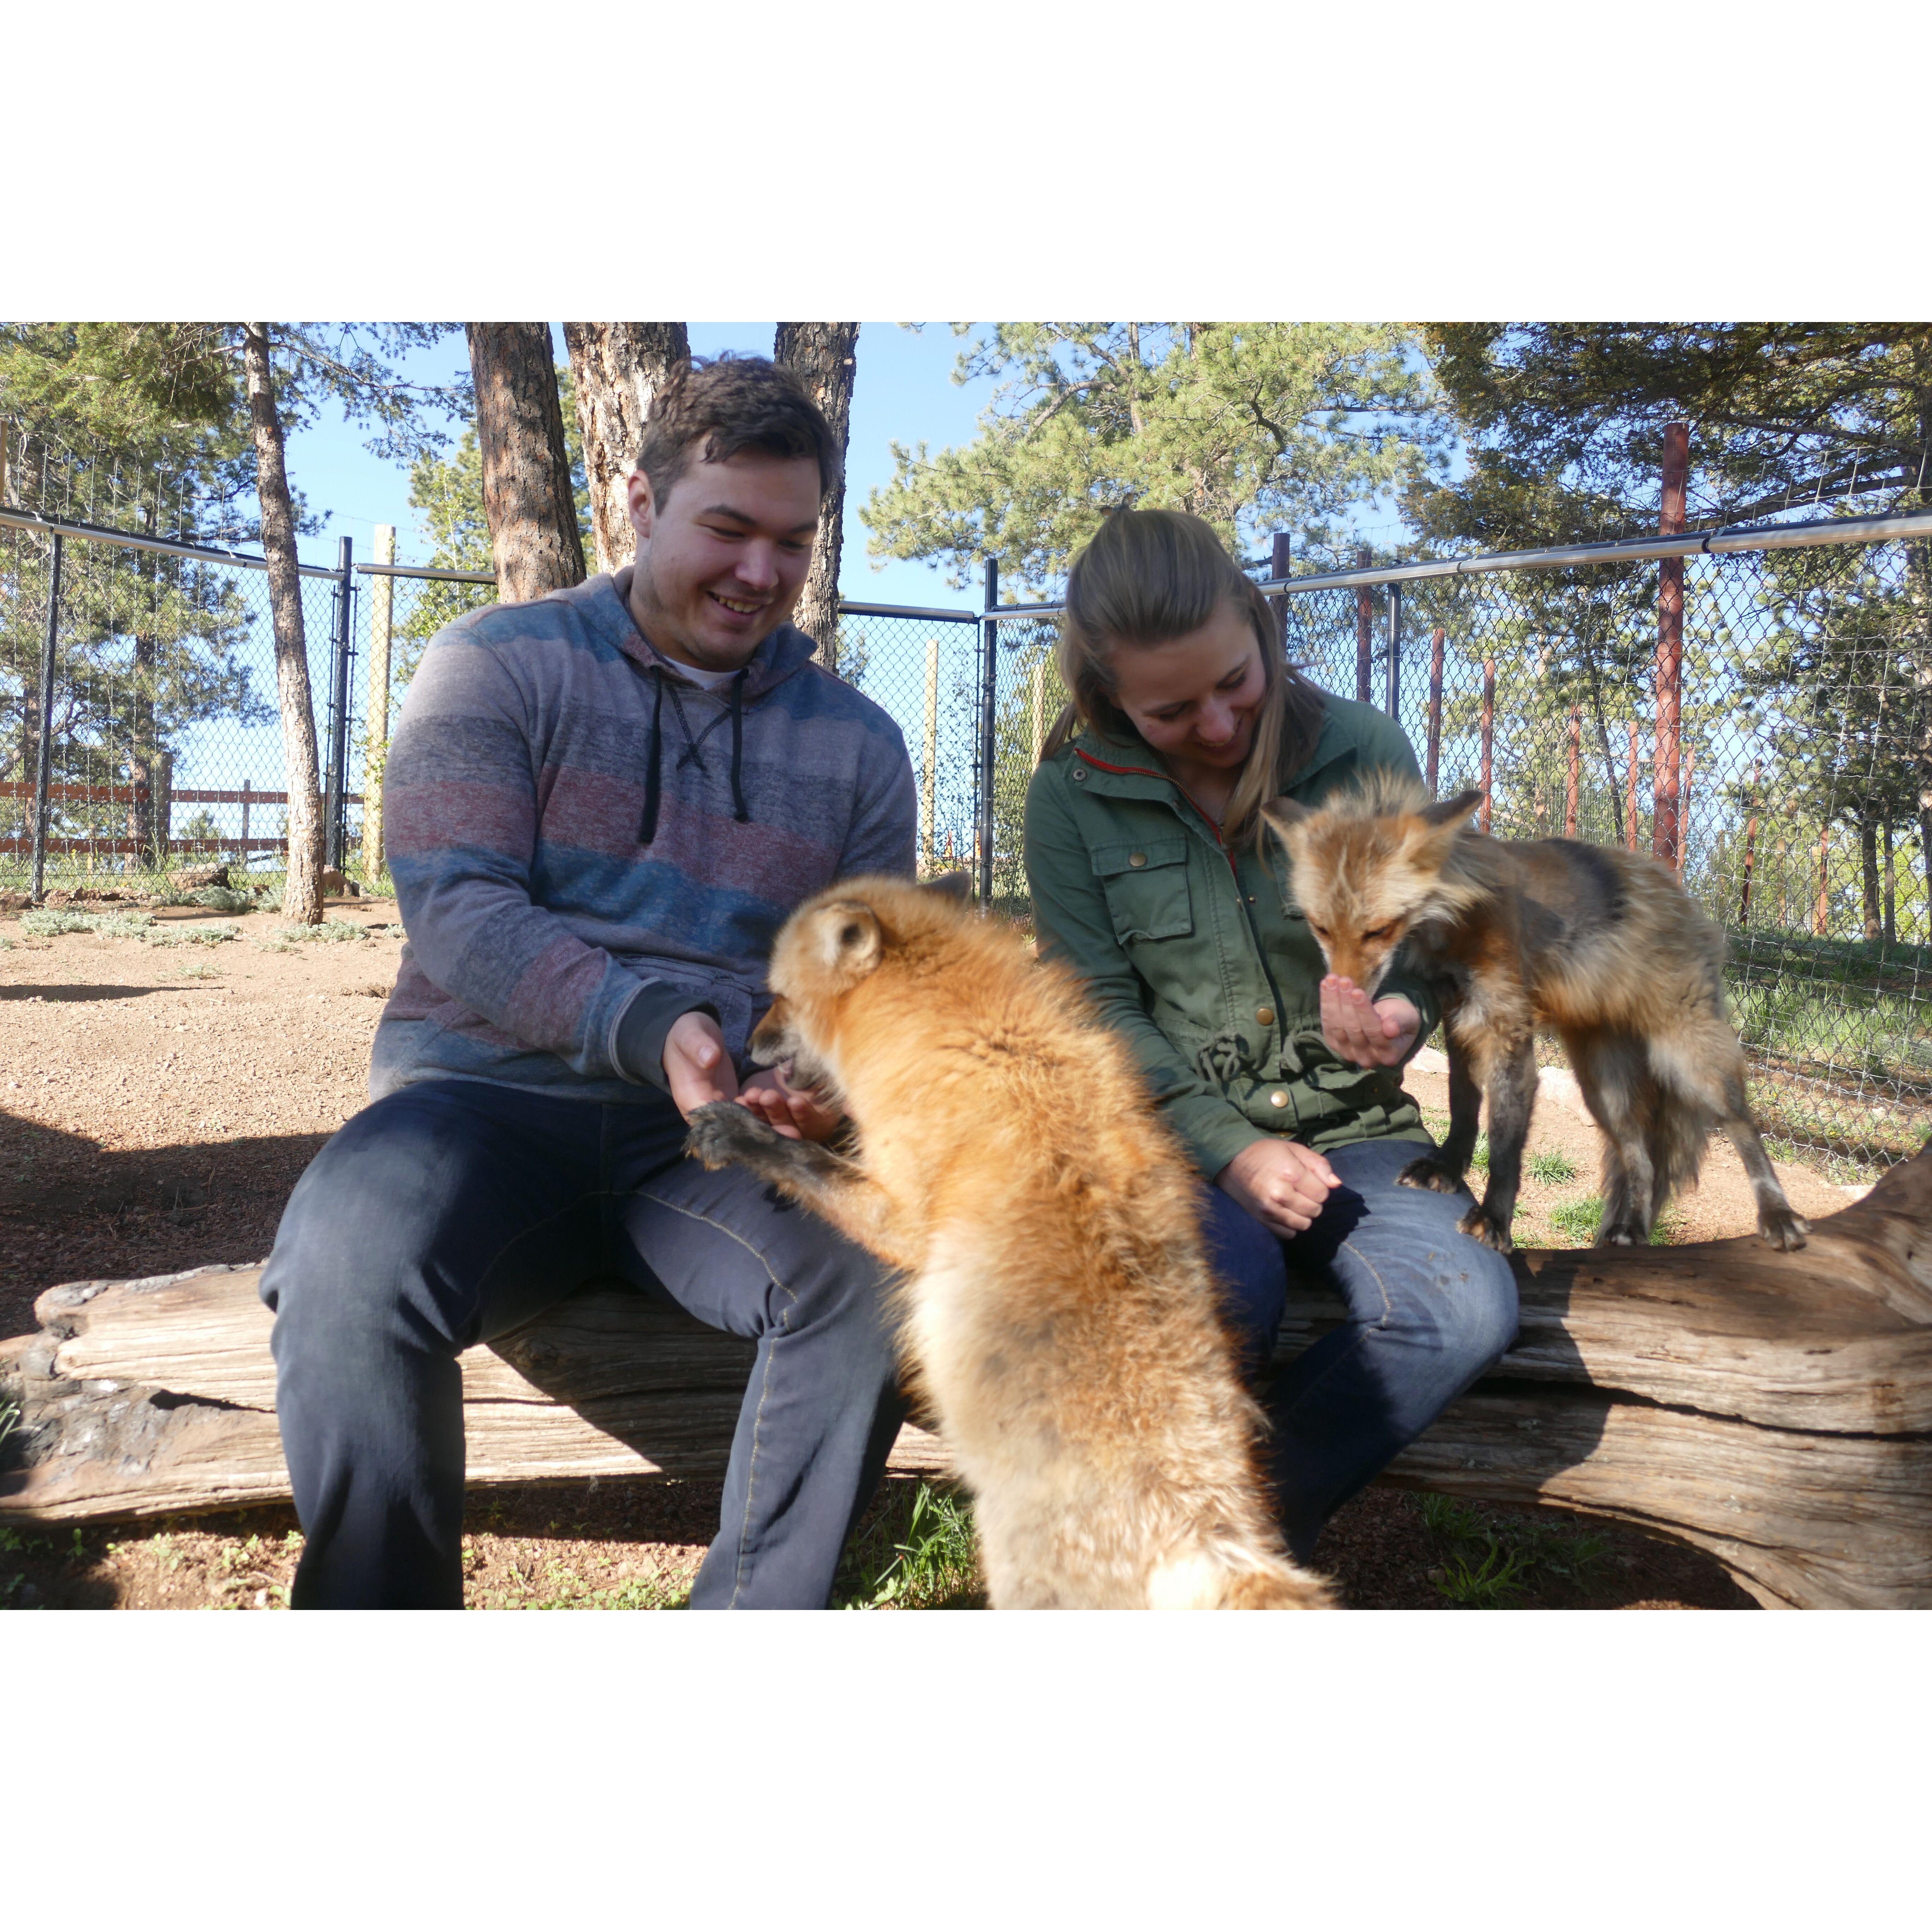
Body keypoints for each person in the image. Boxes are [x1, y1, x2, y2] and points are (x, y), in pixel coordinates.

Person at [260, 356, 919, 1609]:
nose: (760, 573)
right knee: (347, 1257)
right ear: (637, 501)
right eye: (726, 528)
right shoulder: (498, 664)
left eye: (792, 541)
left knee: (875, 1267)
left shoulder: (859, 746)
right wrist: (651, 1023)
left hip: (716, 1144)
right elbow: (458, 909)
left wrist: (821, 1089)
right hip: (483, 1104)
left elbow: (862, 986)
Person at [1022, 508, 1517, 1562]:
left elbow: (1428, 947)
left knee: (1465, 1310)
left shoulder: (1364, 749)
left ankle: (1197, 1558)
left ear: (1257, 622)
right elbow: (1096, 1010)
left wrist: (1399, 1016)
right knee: (1224, 1293)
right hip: (1172, 1137)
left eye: (1234, 685)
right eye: (1170, 710)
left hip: (1358, 1134)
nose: (1216, 726)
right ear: (1107, 694)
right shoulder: (1066, 801)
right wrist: (1233, 1152)